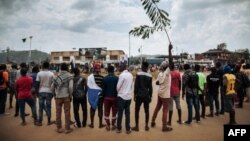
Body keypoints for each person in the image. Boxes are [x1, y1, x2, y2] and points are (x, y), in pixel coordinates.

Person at [151, 44, 173, 132]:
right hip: (165, 95)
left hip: (159, 93)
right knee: (165, 110)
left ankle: (152, 121)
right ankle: (164, 127)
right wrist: (169, 50)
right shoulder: (167, 73)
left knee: (157, 107)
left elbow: (157, 82)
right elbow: (171, 62)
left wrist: (161, 83)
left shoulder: (160, 73)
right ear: (167, 67)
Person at [51, 63, 73, 133]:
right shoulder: (70, 76)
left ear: (60, 68)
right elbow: (70, 87)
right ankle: (67, 128)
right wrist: (70, 95)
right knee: (67, 112)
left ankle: (59, 128)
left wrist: (54, 94)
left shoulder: (56, 76)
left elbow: (52, 87)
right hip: (66, 96)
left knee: (58, 112)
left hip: (58, 96)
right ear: (67, 68)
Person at [131, 61, 152, 131]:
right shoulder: (150, 76)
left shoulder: (138, 74)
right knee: (147, 111)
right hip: (146, 95)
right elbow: (150, 87)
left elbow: (136, 85)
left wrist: (134, 94)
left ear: (143, 66)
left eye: (142, 66)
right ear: (147, 67)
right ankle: (146, 126)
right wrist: (150, 96)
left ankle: (137, 126)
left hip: (139, 95)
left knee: (137, 110)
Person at [116, 63, 133, 134]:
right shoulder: (130, 75)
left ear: (124, 67)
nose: (119, 67)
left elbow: (118, 87)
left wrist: (119, 92)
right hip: (128, 97)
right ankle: (128, 129)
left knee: (120, 113)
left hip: (121, 97)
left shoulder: (122, 75)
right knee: (127, 113)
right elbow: (131, 86)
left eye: (120, 66)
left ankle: (119, 128)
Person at [87, 63, 105, 128]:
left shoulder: (90, 77)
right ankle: (100, 124)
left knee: (92, 109)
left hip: (93, 96)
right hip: (100, 96)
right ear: (99, 70)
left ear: (94, 69)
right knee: (100, 109)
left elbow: (89, 86)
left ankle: (92, 124)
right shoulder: (102, 78)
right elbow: (103, 88)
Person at [103, 65, 118, 131]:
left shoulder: (105, 78)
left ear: (107, 70)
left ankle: (108, 125)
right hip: (115, 98)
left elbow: (103, 89)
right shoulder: (117, 78)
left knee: (106, 112)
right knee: (114, 112)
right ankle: (113, 124)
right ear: (113, 70)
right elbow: (118, 89)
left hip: (106, 98)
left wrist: (103, 98)